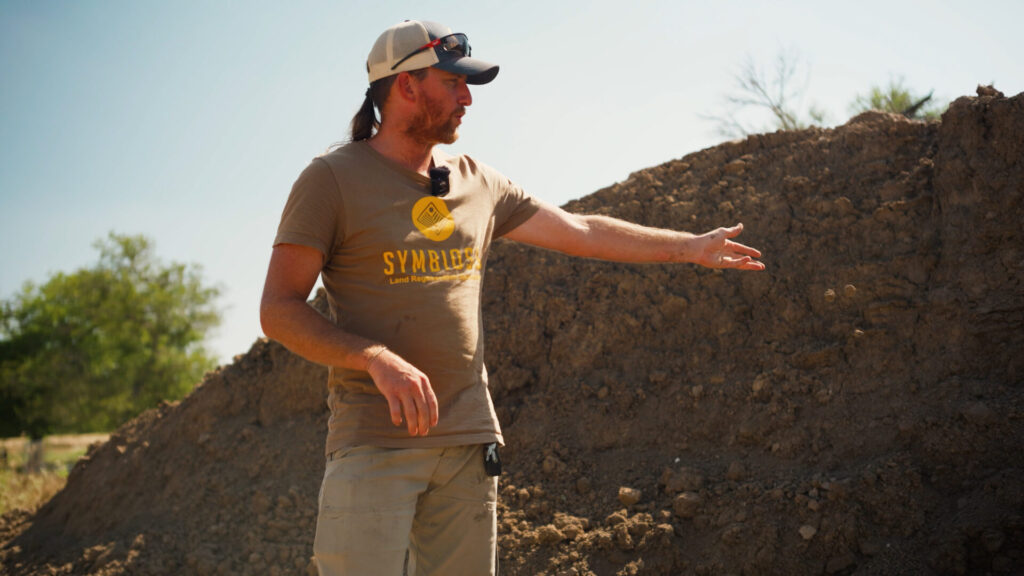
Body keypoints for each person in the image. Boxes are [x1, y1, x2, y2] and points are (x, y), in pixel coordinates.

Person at [259, 19, 765, 576]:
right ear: (406, 86)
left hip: (469, 445)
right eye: (452, 82)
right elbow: (279, 309)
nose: (467, 97)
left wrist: (688, 247)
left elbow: (582, 231)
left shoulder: (478, 180)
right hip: (374, 444)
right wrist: (374, 358)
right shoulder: (331, 180)